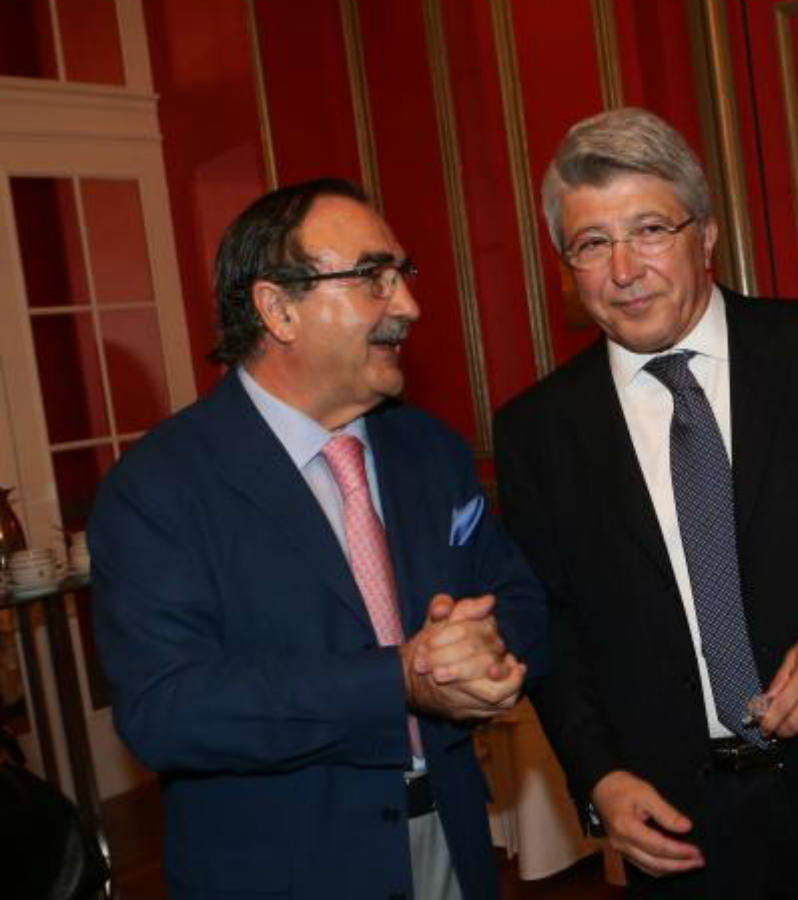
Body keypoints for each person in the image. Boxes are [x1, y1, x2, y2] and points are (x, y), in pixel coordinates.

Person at [493, 107, 798, 898]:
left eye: (648, 230)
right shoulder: (536, 429)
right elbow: (551, 623)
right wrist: (599, 778)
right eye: (592, 244)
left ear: (705, 236)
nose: (624, 269)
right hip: (675, 825)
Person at [89, 178, 547, 900]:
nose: (409, 306)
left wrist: (484, 645)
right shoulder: (159, 488)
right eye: (373, 278)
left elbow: (518, 594)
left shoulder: (431, 450)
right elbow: (167, 711)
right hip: (289, 869)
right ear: (278, 309)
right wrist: (396, 676)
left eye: (402, 276)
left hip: (455, 843)